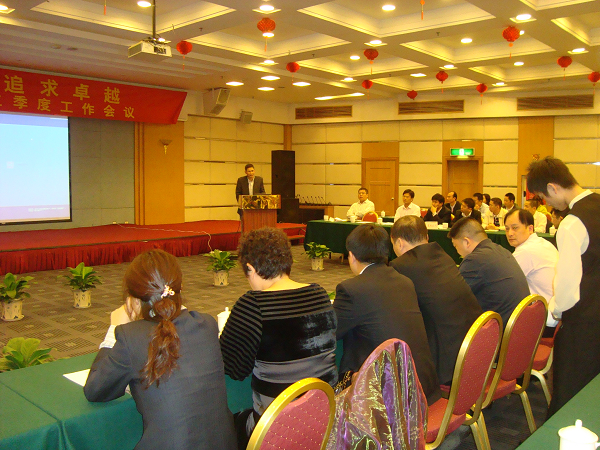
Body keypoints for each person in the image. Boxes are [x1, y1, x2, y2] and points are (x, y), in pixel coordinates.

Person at [84, 249, 236, 450]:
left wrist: (113, 330)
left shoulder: (130, 337)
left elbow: (95, 390)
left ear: (133, 300)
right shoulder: (206, 324)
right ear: (180, 288)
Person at [219, 228, 337, 446]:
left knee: (223, 425)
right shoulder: (320, 294)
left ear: (250, 268)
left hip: (275, 429)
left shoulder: (253, 305)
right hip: (323, 421)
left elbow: (235, 369)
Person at [334, 223, 441, 405]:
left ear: (351, 256)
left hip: (391, 401)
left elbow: (332, 331)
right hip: (423, 387)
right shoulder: (405, 282)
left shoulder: (352, 289)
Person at [527, 156, 600, 416]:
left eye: (543, 197)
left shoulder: (571, 223)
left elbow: (568, 287)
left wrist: (554, 313)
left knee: (570, 394)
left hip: (583, 323)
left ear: (553, 187)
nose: (546, 204)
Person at [390, 216, 483, 385]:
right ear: (426, 237)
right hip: (475, 348)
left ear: (399, 243)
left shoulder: (400, 266)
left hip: (446, 364)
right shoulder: (443, 256)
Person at [448, 217, 530, 325]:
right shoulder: (502, 250)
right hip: (520, 325)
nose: (457, 252)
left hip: (497, 329)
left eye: (456, 246)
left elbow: (452, 299)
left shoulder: (474, 260)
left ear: (466, 242)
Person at [505, 208, 558, 325]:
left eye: (515, 228)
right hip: (557, 315)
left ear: (530, 229)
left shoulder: (526, 251)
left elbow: (503, 285)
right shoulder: (543, 243)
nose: (510, 233)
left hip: (545, 319)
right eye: (507, 229)